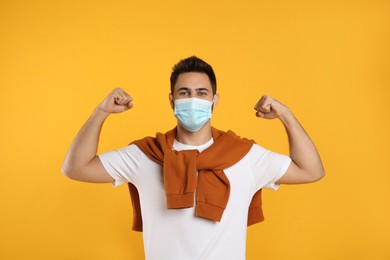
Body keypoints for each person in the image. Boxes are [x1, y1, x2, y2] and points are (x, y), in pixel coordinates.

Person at [62, 56, 325, 260]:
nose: (193, 99)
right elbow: (76, 168)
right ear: (171, 100)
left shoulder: (243, 156)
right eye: (184, 93)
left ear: (214, 100)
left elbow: (311, 171)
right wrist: (101, 112)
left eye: (201, 93)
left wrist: (287, 115)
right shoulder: (147, 155)